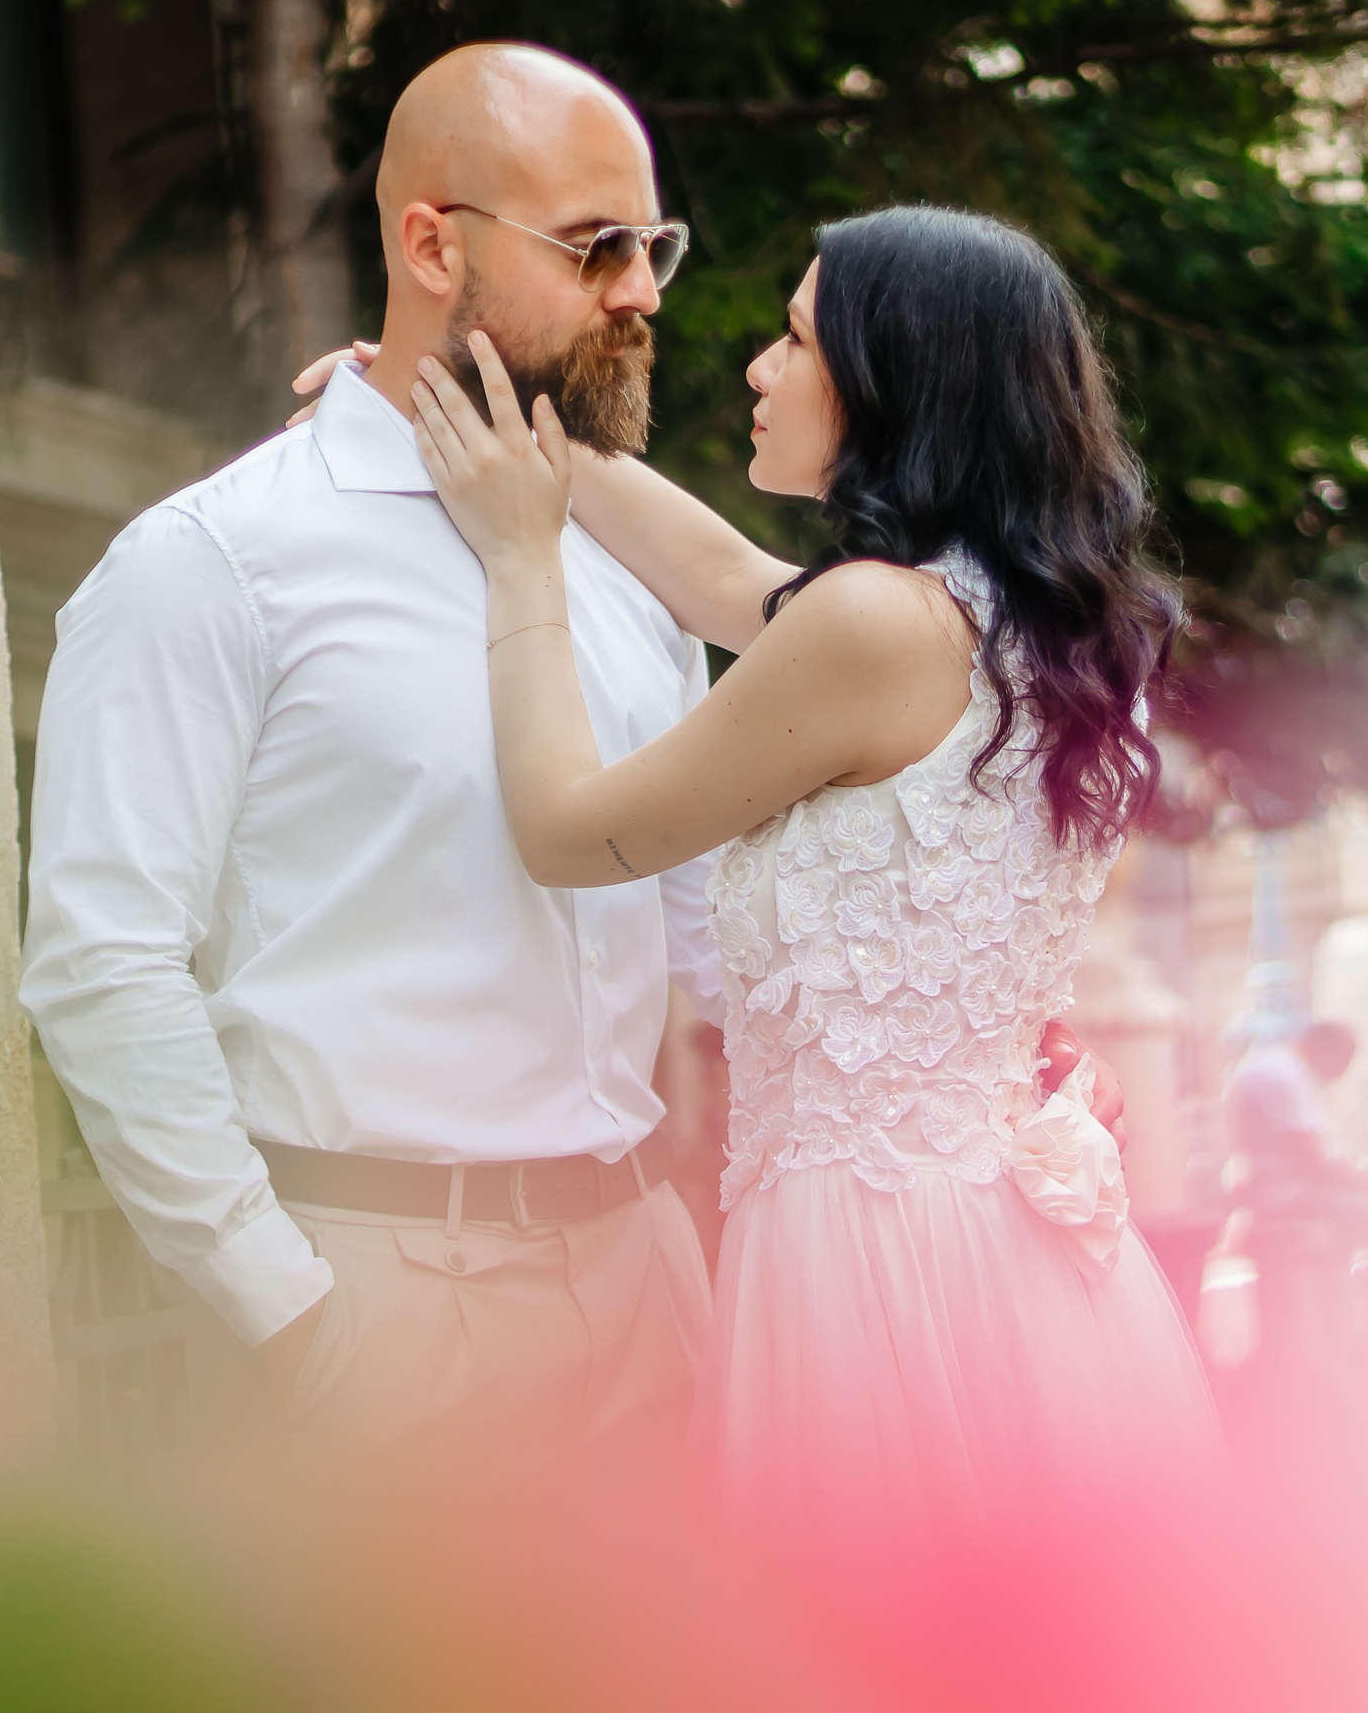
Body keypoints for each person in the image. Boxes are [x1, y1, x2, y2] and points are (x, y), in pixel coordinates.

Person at [385, 203, 1218, 1550]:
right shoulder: (1019, 623)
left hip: (880, 1263)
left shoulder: (873, 625)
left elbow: (565, 828)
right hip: (994, 1249)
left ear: (899, 383)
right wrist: (460, 395)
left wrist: (524, 554)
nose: (758, 371)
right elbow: (723, 578)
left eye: (792, 339)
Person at [20, 43, 726, 1473]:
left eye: (653, 246)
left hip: (655, 1295)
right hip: (387, 1308)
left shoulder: (643, 572)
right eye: (596, 248)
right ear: (429, 243)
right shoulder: (213, 562)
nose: (642, 292)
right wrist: (297, 1322)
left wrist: (696, 1234)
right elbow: (102, 962)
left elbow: (699, 940)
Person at [1224, 1011, 1368, 1381]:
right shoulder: (1284, 1075)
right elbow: (1311, 1160)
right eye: (1342, 1063)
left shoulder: (1280, 1068)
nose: (1340, 1075)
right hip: (1287, 1194)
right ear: (1323, 1046)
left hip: (1289, 1189)